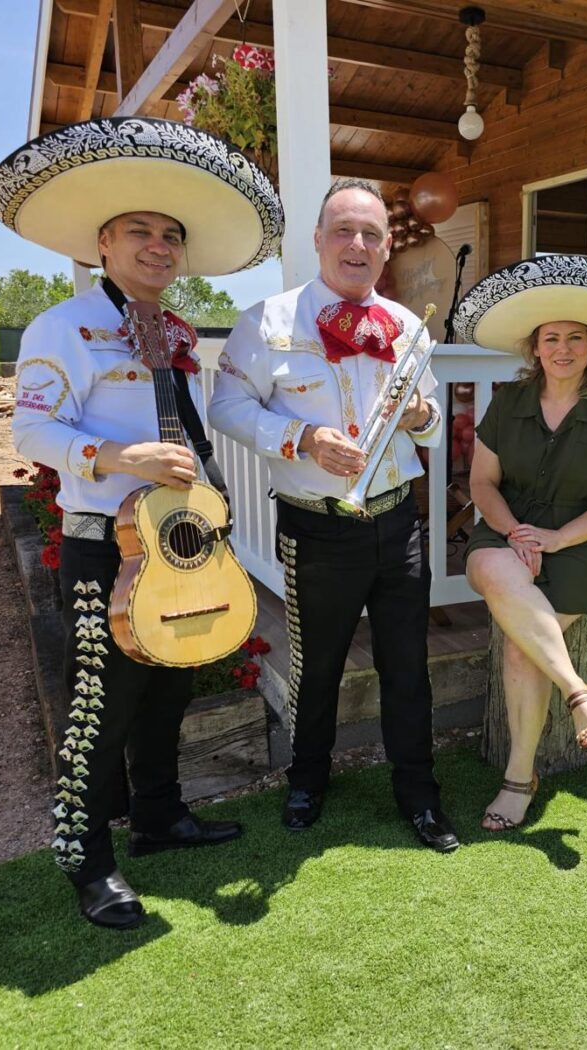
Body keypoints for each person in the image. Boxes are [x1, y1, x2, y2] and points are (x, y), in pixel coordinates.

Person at [0, 116, 284, 928]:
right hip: (100, 547)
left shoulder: (176, 332)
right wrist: (124, 457)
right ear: (105, 244)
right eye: (139, 233)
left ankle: (159, 819)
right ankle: (87, 863)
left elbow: (186, 431)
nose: (158, 247)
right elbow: (33, 432)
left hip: (177, 544)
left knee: (170, 687)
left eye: (170, 237)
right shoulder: (63, 327)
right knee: (102, 704)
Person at [208, 179, 458, 852]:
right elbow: (227, 409)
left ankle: (418, 792)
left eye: (371, 234)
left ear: (384, 250)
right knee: (317, 664)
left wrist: (421, 415)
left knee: (407, 664)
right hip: (316, 526)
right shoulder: (268, 321)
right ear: (317, 240)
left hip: (397, 521)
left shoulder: (407, 327)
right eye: (344, 230)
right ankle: (307, 777)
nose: (358, 244)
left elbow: (433, 423)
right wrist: (302, 440)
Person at [452, 254, 587, 829]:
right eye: (552, 337)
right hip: (504, 533)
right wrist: (515, 532)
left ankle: (519, 779)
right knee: (499, 571)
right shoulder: (508, 403)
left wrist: (553, 539)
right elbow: (481, 483)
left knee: (525, 646)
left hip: (579, 546)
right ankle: (579, 692)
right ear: (535, 347)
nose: (564, 348)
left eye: (576, 338)